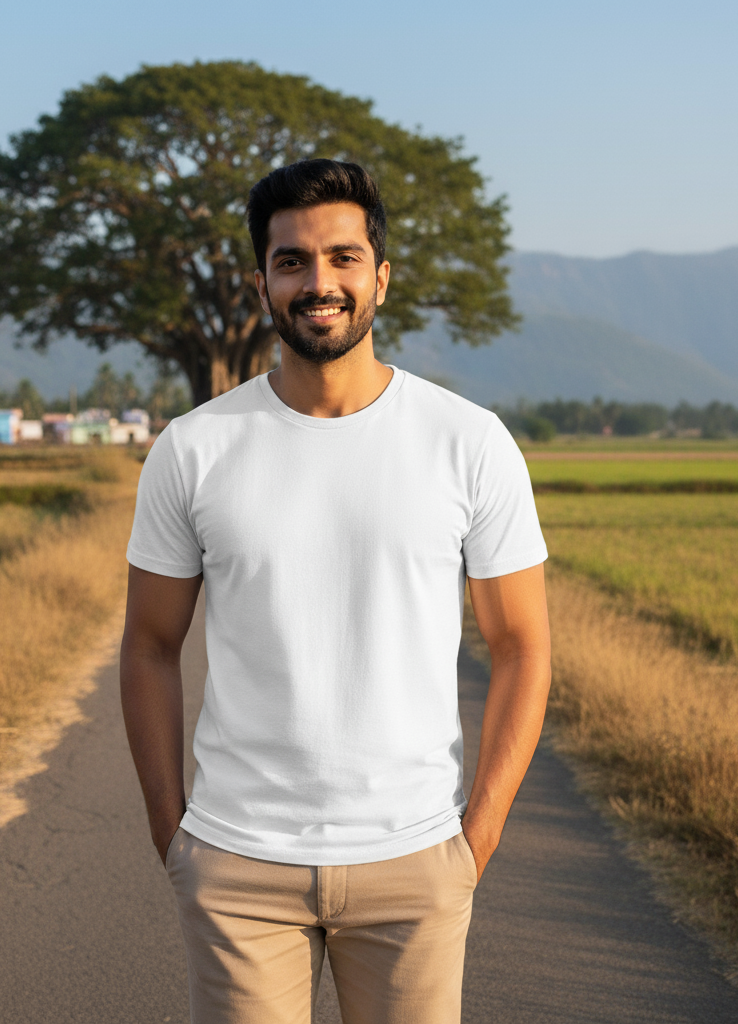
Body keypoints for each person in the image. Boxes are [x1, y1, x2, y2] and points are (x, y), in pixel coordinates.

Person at [120, 158, 551, 1024]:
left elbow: (522, 646)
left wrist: (476, 840)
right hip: (237, 863)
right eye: (292, 262)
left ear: (381, 278)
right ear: (262, 283)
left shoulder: (469, 442)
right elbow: (149, 644)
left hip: (417, 861)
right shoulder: (193, 449)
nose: (320, 283)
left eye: (344, 258)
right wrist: (176, 838)